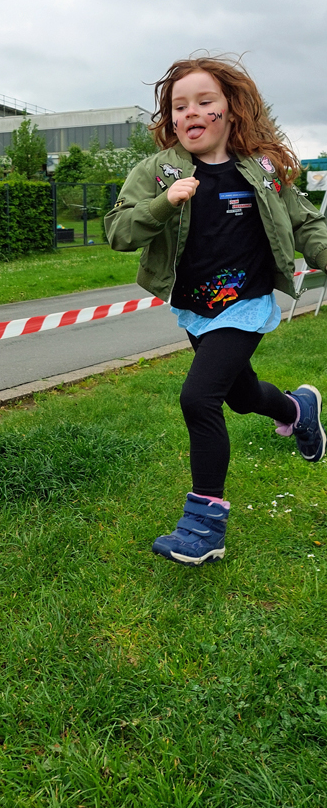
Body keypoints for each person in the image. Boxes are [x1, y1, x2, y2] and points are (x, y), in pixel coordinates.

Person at [105, 55, 327, 566]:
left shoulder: (264, 168)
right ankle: (298, 410)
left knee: (198, 398)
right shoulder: (159, 170)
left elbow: (306, 223)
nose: (191, 113)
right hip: (195, 309)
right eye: (179, 106)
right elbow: (118, 232)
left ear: (230, 109)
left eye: (205, 101)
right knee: (243, 396)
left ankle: (204, 527)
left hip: (245, 305)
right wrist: (165, 202)